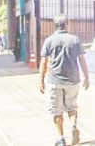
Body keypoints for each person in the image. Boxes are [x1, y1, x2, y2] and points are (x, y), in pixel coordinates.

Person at [39, 15, 90, 146]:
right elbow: (82, 59)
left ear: (54, 25)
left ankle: (61, 138)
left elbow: (44, 62)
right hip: (73, 80)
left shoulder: (49, 40)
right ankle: (73, 125)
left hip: (54, 80)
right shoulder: (74, 39)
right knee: (72, 106)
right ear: (67, 24)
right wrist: (86, 76)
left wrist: (41, 80)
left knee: (56, 111)